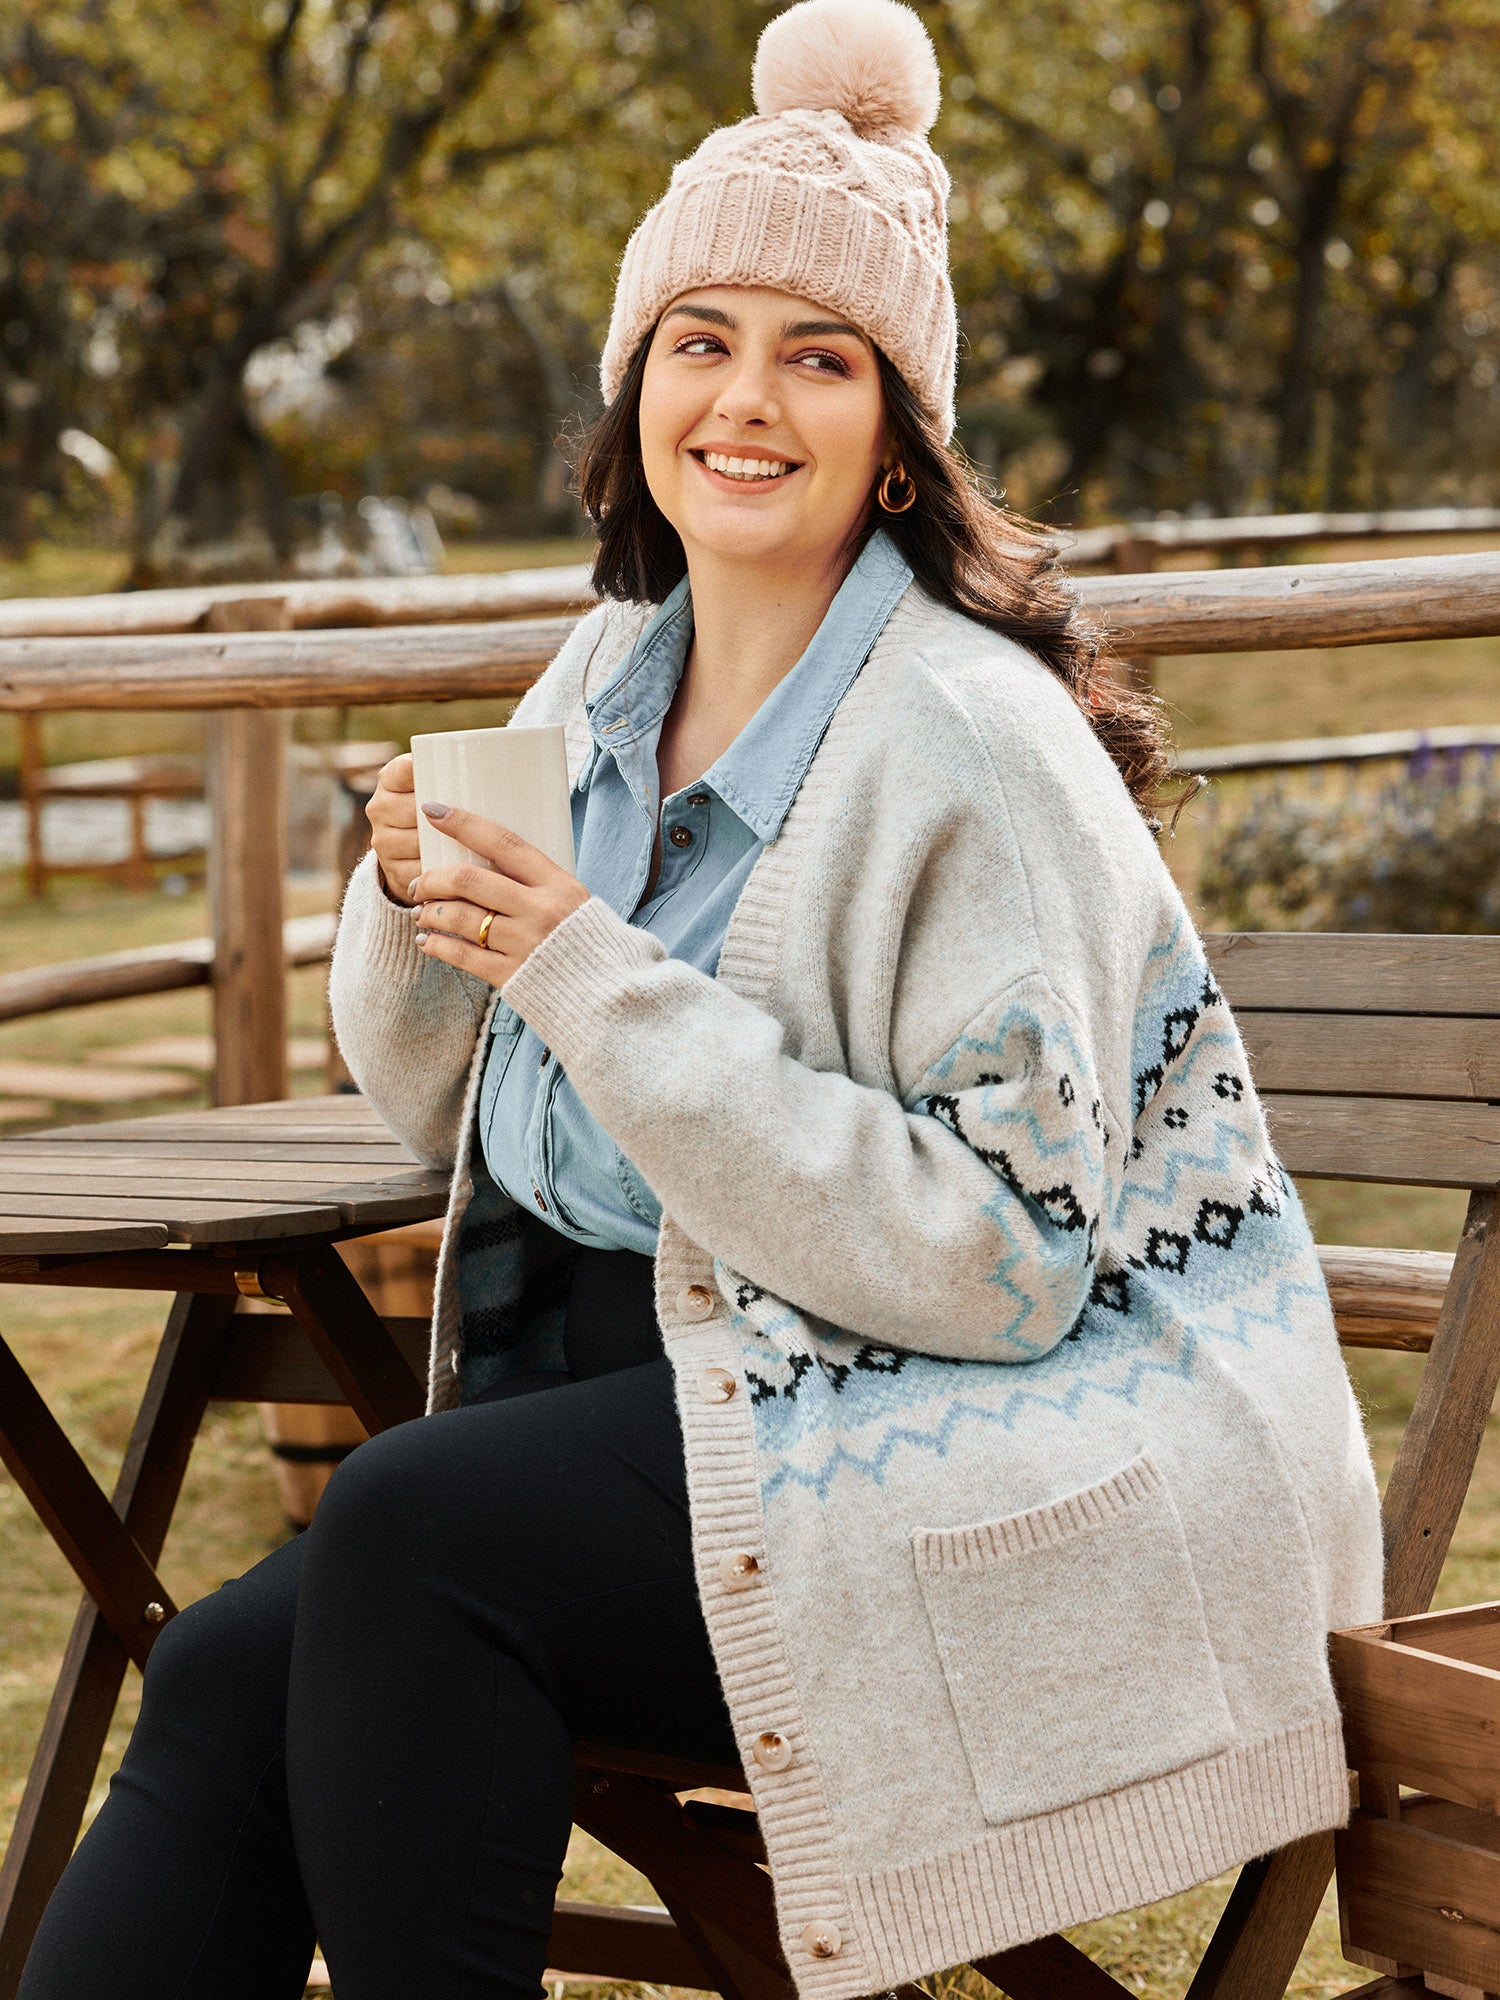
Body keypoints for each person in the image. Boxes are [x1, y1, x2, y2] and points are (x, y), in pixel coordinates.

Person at [18, 2, 1382, 1996]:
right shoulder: (602, 679)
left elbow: (1010, 1258)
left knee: (409, 1533)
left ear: (898, 433)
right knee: (236, 1661)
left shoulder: (968, 745)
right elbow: (442, 1110)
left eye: (819, 355)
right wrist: (411, 907)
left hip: (1013, 1453)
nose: (747, 400)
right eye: (700, 340)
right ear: (635, 383)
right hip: (690, 1411)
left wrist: (589, 969)